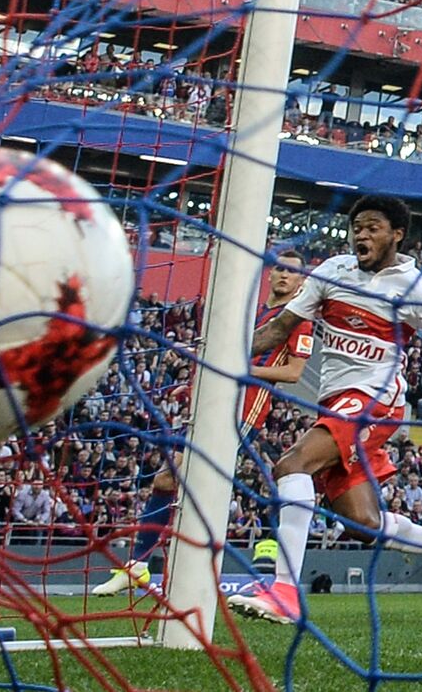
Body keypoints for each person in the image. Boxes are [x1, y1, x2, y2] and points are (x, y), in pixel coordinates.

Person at [227, 196, 422, 622]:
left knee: (291, 465)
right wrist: (224, 352)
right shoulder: (332, 271)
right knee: (362, 523)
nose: (361, 235)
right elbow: (279, 329)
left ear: (397, 234)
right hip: (336, 402)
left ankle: (285, 593)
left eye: (372, 227)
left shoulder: (417, 289)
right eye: (357, 227)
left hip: (376, 400)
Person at [91, 251, 313, 596]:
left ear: (301, 282)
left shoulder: (297, 320)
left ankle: (175, 569)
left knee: (185, 479)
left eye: (293, 273)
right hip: (213, 402)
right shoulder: (254, 314)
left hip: (246, 408)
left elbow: (294, 373)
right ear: (271, 274)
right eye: (280, 269)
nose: (285, 276)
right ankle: (144, 566)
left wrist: (243, 370)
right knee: (171, 479)